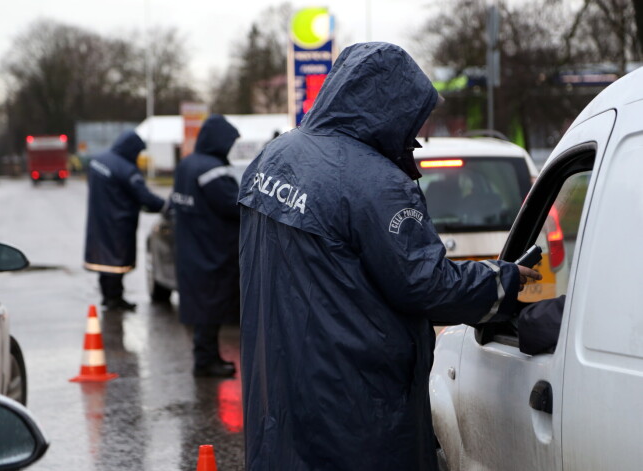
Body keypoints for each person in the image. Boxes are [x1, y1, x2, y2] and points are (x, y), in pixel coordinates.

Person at [237, 42, 541, 471]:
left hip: (278, 389)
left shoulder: (275, 157)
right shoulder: (377, 183)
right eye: (415, 117)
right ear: (390, 107)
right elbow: (428, 285)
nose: (417, 131)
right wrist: (502, 280)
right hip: (354, 403)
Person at [171, 114, 241, 378]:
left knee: (203, 305)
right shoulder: (211, 170)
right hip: (213, 247)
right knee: (211, 306)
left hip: (192, 246)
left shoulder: (187, 164)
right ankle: (206, 362)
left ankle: (206, 357)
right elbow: (234, 204)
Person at [84, 130, 165, 311]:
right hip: (118, 224)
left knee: (103, 260)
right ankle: (114, 298)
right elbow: (144, 197)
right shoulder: (127, 170)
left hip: (99, 220)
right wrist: (165, 205)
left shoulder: (97, 161)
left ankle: (109, 296)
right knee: (115, 262)